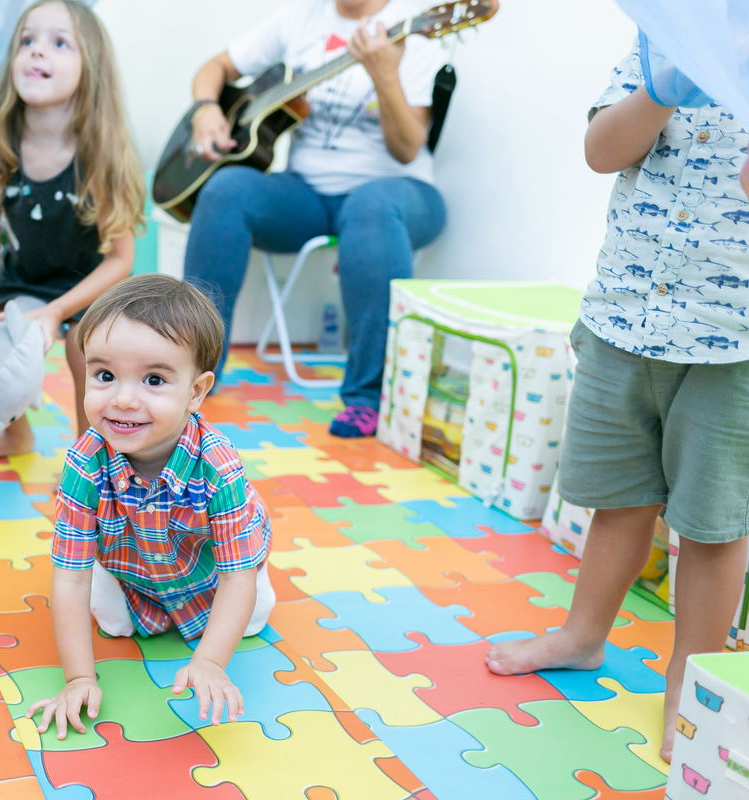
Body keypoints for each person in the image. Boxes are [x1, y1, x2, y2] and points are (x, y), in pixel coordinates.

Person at [484, 39, 749, 764]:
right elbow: (602, 152)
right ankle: (582, 635)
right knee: (620, 500)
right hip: (624, 319)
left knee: (712, 526)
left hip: (733, 345)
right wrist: (662, 87)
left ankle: (691, 684)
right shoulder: (665, 42)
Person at [26, 274, 274, 740]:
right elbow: (70, 576)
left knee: (253, 612)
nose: (122, 399)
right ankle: (137, 595)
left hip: (212, 573)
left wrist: (209, 663)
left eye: (154, 379)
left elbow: (236, 577)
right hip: (132, 567)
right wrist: (79, 678)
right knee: (114, 623)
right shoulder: (83, 461)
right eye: (104, 376)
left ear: (196, 392)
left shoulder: (218, 464)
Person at [183, 0, 447, 438]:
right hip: (306, 195)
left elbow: (406, 149)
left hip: (398, 195)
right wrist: (205, 108)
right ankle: (193, 372)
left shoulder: (413, 28)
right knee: (226, 189)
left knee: (370, 205)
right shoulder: (299, 17)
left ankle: (367, 398)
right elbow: (215, 67)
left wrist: (384, 74)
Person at [0, 0, 143, 459]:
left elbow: (121, 260)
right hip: (24, 281)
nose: (37, 51)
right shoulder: (0, 144)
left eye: (59, 43)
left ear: (90, 68)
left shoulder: (99, 155)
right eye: (27, 41)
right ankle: (16, 435)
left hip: (89, 289)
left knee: (83, 346)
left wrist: (58, 312)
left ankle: (91, 459)